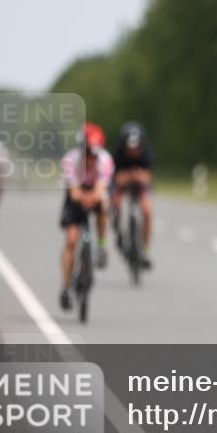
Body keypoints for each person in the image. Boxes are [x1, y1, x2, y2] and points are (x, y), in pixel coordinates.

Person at [58, 122, 114, 311]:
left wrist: (95, 198)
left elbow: (101, 189)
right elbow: (74, 193)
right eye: (88, 154)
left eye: (94, 155)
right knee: (71, 240)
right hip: (76, 194)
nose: (91, 159)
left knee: (104, 206)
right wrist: (84, 198)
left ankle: (101, 245)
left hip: (94, 192)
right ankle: (65, 287)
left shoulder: (105, 160)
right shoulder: (70, 160)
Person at [111, 121, 155, 269]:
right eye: (130, 149)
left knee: (148, 212)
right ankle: (119, 232)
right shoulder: (118, 154)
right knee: (115, 203)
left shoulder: (147, 153)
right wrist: (131, 176)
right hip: (122, 186)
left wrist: (135, 177)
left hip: (140, 186)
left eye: (136, 148)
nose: (133, 152)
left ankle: (145, 250)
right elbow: (116, 177)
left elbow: (147, 177)